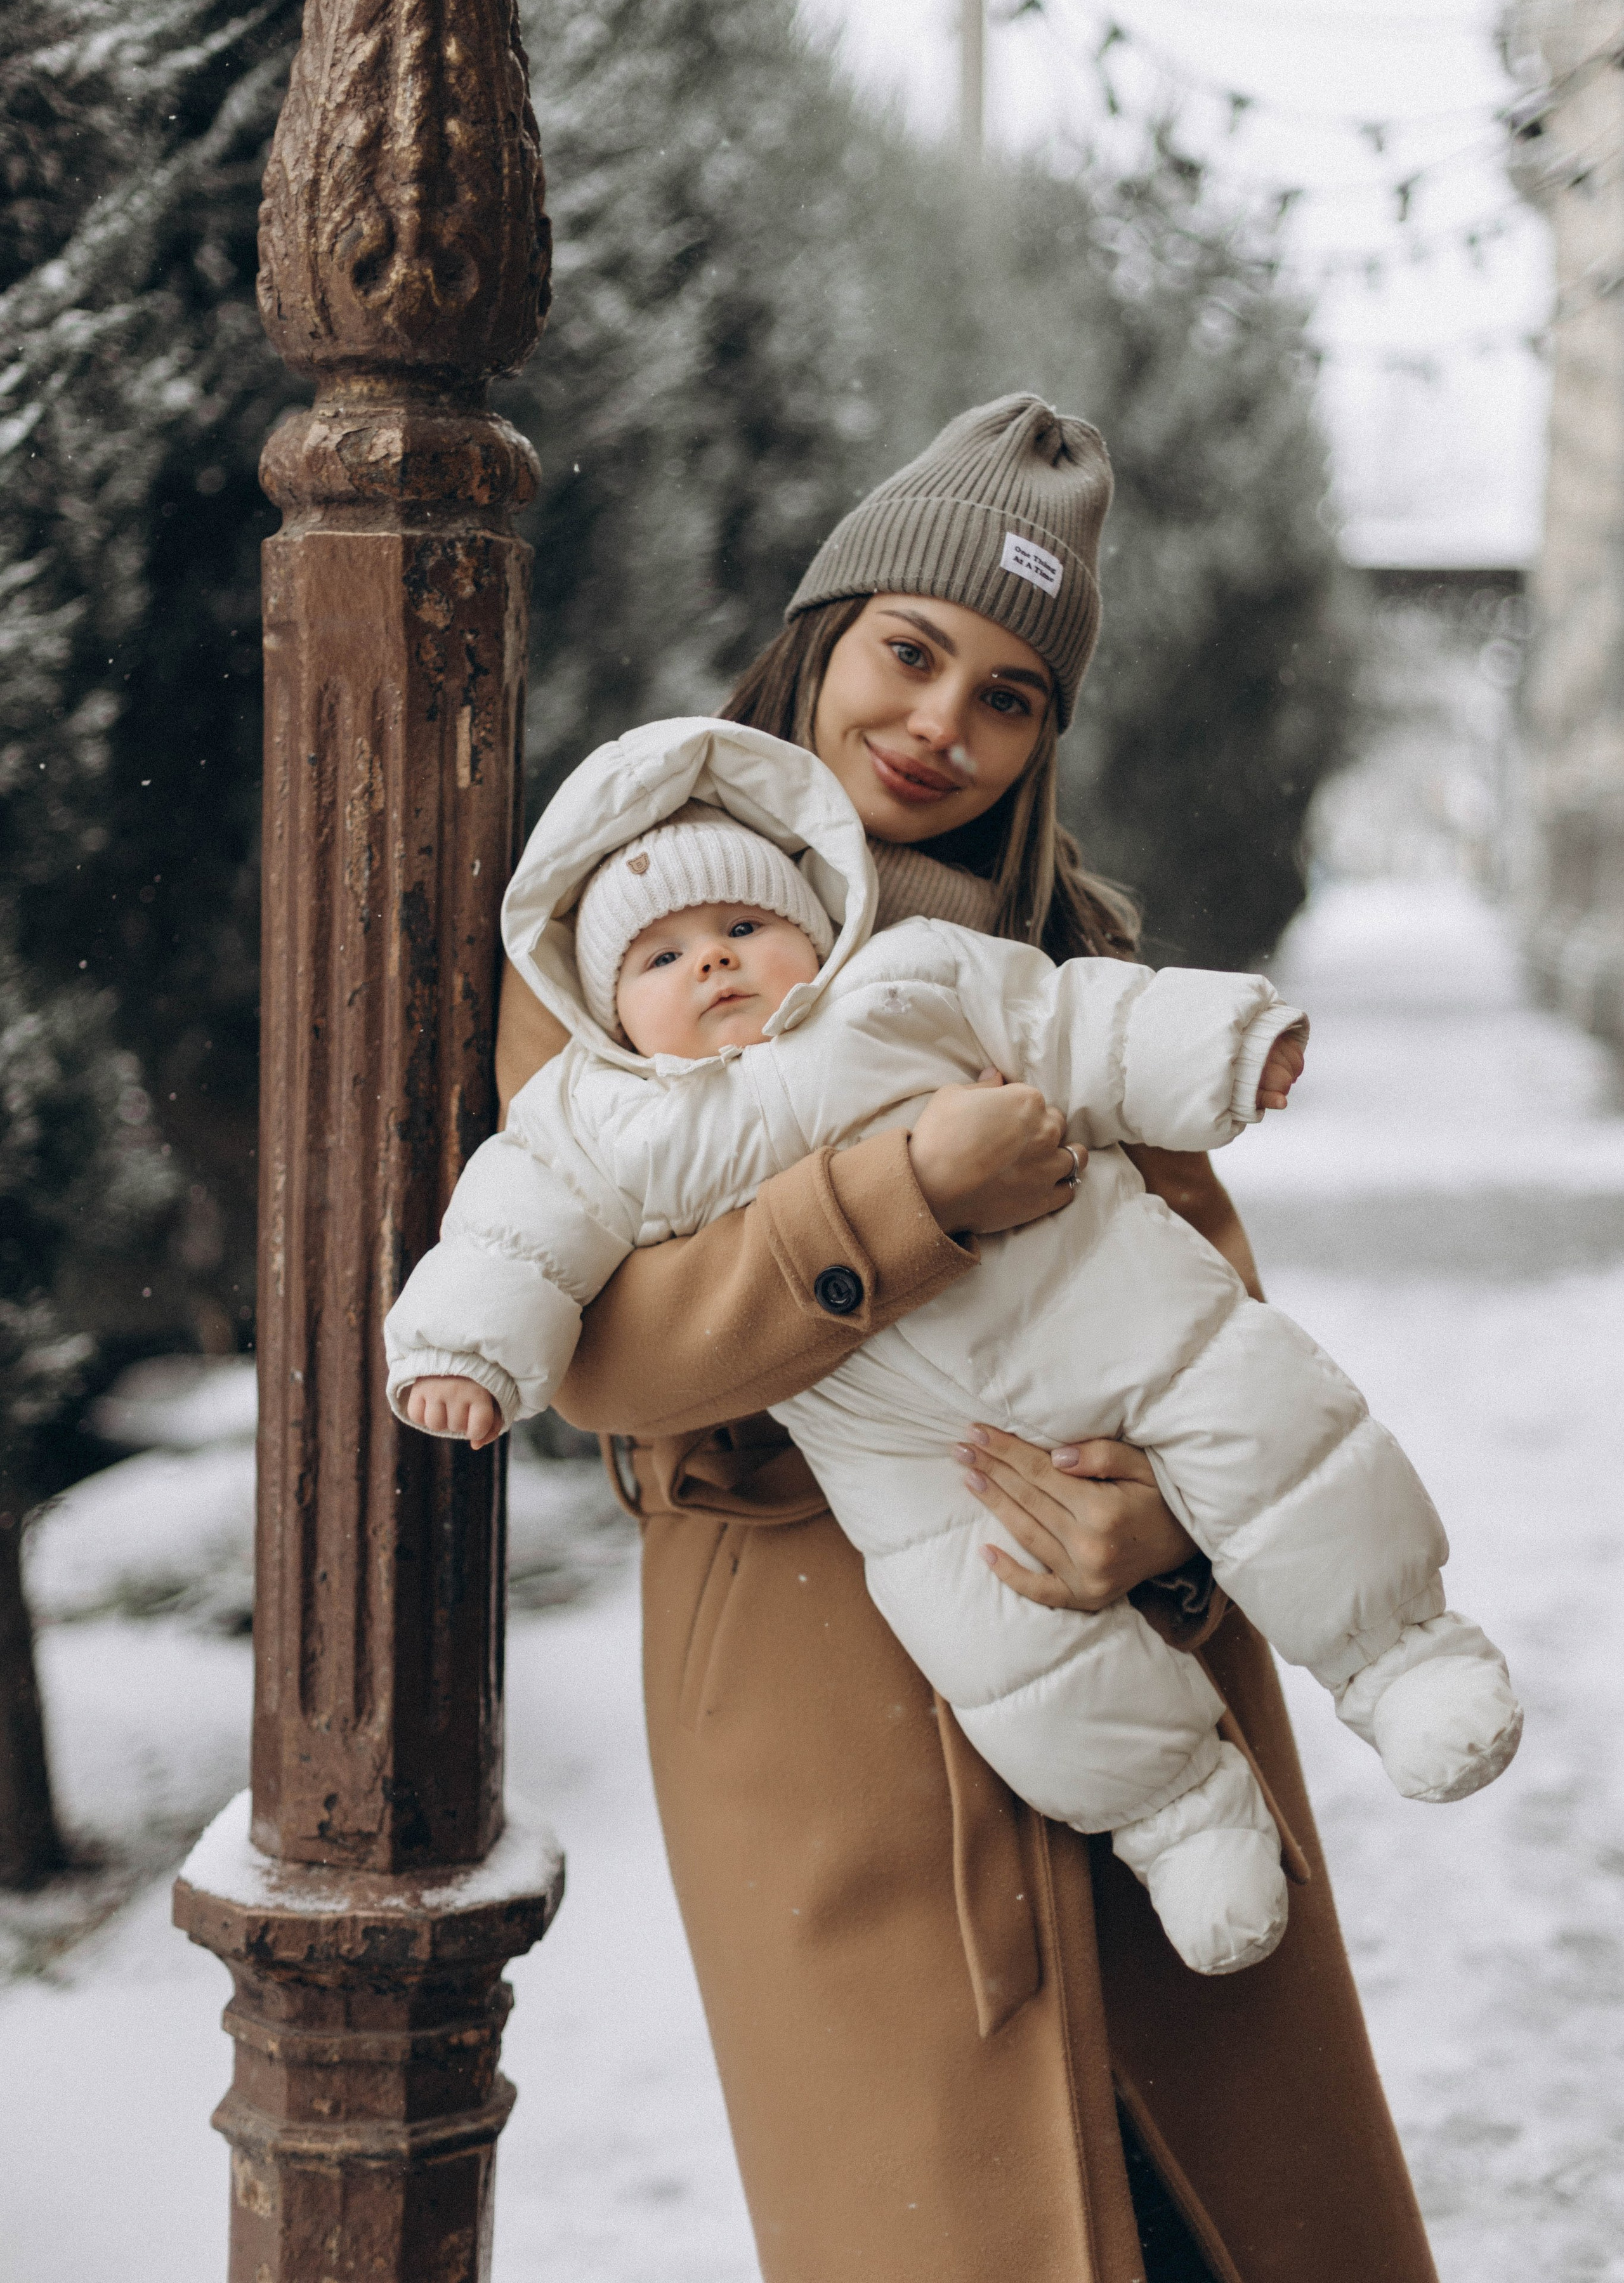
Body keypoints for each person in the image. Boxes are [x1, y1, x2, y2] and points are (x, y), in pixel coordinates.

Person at [485, 395, 1444, 2281]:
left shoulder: (1065, 949)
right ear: (819, 639)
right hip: (815, 1707)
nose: (941, 725)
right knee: (945, 2223)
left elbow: (1210, 1314)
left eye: (1009, 695)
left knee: (1224, 2222)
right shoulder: (626, 929)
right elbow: (610, 1352)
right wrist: (914, 1191)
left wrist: (1163, 1534)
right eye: (910, 654)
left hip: (1128, 1645)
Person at [388, 716, 1519, 1984]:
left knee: (1271, 1434)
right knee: (997, 1636)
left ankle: (1400, 1652)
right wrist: (466, 1351)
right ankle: (1178, 1814)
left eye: (743, 930)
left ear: (811, 926)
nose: (711, 964)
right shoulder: (599, 1118)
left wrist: (1224, 1045)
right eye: (661, 955)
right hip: (913, 1453)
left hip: (1111, 1313)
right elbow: (516, 1237)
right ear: (603, 1004)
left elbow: (1076, 1022)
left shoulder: (907, 979)